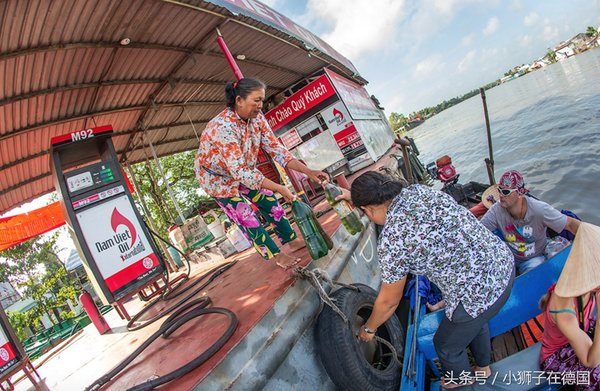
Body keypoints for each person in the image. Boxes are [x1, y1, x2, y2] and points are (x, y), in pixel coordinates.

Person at [343, 171, 514, 389]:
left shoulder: (392, 239)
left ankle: (464, 382)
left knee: (445, 346)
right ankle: (482, 367)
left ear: (368, 209)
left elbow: (389, 301)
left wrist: (368, 329)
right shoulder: (418, 191)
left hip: (479, 293)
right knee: (473, 319)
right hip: (502, 266)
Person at [194, 78, 328, 268]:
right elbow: (240, 172)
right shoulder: (221, 128)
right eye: (256, 100)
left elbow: (276, 149)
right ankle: (276, 255)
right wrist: (280, 187)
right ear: (239, 100)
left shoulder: (257, 118)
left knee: (269, 201)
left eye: (262, 100)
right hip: (217, 179)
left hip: (242, 169)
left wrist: (309, 171)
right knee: (245, 215)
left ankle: (291, 240)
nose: (260, 105)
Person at [480, 170, 580, 275]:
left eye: (505, 192)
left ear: (519, 193)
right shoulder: (496, 211)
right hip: (514, 258)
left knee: (557, 261)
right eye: (499, 190)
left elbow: (570, 224)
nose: (500, 195)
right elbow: (478, 232)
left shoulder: (539, 209)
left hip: (539, 252)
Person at [539, 222, 600, 390]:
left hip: (581, 334)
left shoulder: (586, 285)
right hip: (555, 357)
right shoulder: (564, 308)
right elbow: (591, 360)